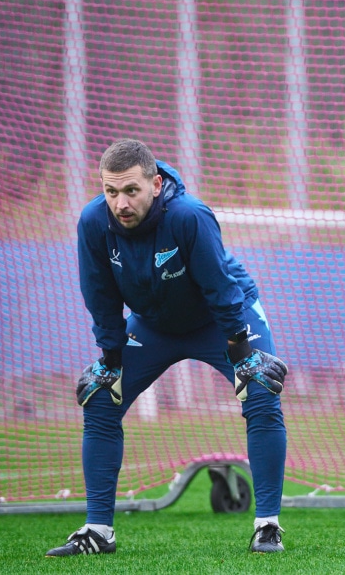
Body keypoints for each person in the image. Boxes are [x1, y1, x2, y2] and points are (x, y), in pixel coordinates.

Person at [46, 139, 289, 557]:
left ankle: (267, 526)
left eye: (131, 191)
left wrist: (240, 350)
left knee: (260, 392)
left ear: (155, 184)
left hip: (222, 317)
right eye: (111, 191)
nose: (120, 202)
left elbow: (220, 288)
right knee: (103, 399)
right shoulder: (92, 222)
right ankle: (99, 531)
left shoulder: (189, 215)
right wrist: (111, 358)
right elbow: (100, 295)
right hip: (156, 324)